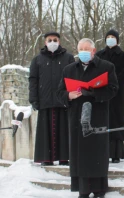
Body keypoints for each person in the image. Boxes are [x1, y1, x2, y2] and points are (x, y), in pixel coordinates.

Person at [56, 38, 118, 198]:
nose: (83, 52)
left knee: (97, 152)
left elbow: (113, 89)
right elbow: (59, 93)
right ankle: (83, 189)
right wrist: (68, 95)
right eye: (80, 49)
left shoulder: (106, 67)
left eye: (86, 49)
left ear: (93, 51)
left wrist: (93, 94)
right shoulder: (69, 70)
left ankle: (99, 189)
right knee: (80, 154)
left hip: (97, 115)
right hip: (77, 116)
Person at [29, 31, 75, 166]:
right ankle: (46, 158)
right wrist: (34, 99)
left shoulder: (68, 58)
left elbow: (73, 78)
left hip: (63, 100)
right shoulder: (37, 60)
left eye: (55, 40)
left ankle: (64, 157)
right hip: (45, 101)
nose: (52, 42)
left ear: (59, 42)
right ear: (45, 42)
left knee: (64, 130)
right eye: (49, 40)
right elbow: (33, 80)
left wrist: (71, 96)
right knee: (45, 132)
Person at [96, 29, 124, 163]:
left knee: (116, 120)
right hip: (101, 92)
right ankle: (103, 151)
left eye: (113, 37)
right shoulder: (99, 55)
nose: (110, 38)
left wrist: (112, 82)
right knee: (102, 120)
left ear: (117, 39)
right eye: (108, 36)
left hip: (116, 93)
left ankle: (116, 153)